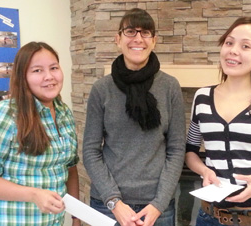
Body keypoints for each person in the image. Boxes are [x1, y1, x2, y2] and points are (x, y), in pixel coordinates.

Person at [82, 8, 186, 226]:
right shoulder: (102, 89)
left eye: (145, 32)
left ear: (154, 41)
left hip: (158, 207)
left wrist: (159, 203)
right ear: (118, 39)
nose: (138, 38)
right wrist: (114, 202)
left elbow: (176, 149)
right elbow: (91, 151)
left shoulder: (169, 86)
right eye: (130, 31)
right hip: (108, 205)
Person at [186, 16, 251, 226]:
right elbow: (190, 152)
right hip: (210, 215)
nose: (233, 50)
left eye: (245, 46)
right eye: (229, 43)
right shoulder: (202, 97)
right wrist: (204, 170)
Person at [0, 42, 81, 226]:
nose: (49, 76)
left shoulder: (64, 113)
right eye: (37, 71)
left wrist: (76, 218)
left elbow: (70, 168)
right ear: (23, 78)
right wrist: (34, 194)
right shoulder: (8, 113)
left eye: (54, 68)